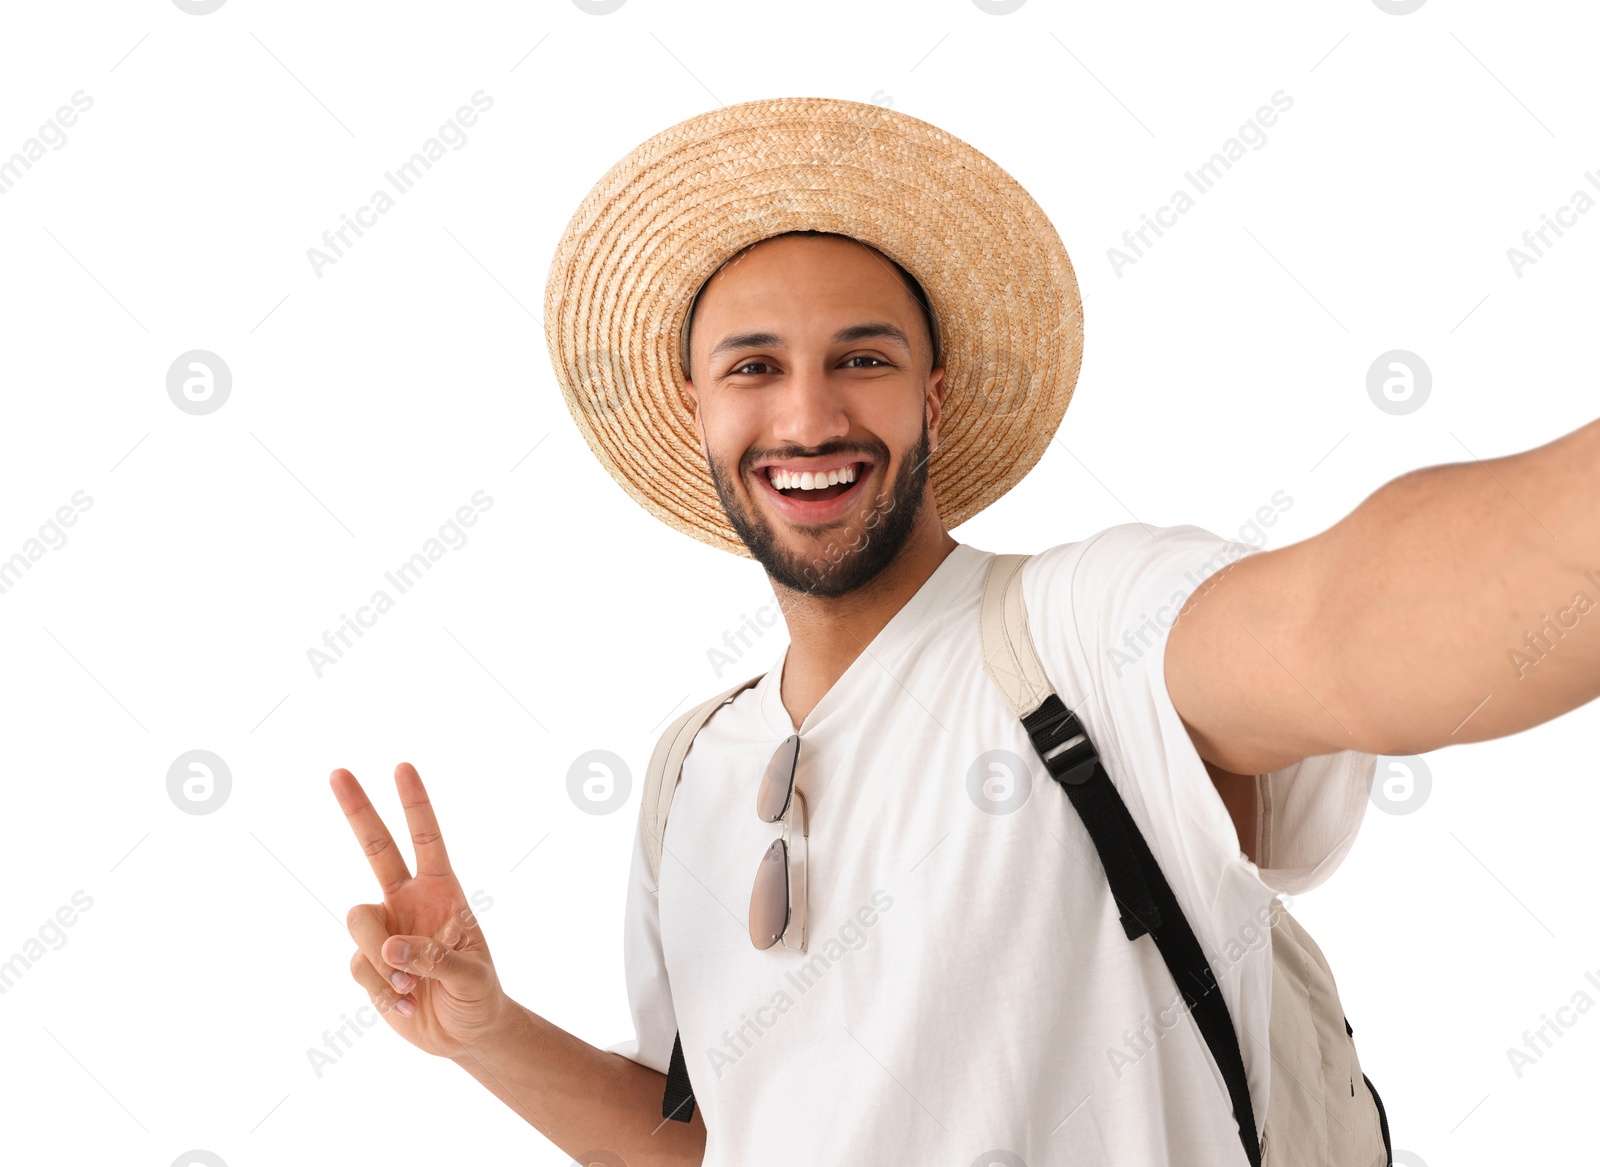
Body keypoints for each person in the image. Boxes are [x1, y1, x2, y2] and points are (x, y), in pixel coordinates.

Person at [330, 98, 1600, 1165]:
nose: (810, 415)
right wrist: (486, 1032)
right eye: (754, 367)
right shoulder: (688, 772)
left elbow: (1346, 630)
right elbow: (715, 1140)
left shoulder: (1074, 630)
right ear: (696, 413)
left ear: (932, 393)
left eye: (864, 359)